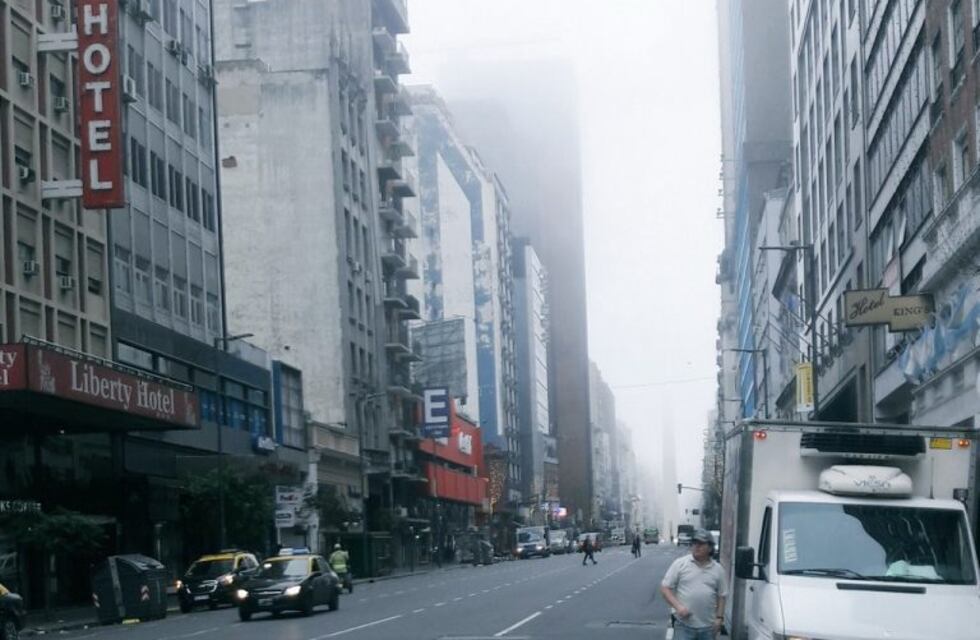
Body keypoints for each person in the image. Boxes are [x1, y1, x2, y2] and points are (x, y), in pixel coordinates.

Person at [660, 528, 727, 640]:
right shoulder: (680, 564)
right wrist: (678, 607)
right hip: (684, 626)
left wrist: (719, 618)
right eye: (694, 543)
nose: (696, 546)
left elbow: (722, 595)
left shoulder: (718, 569)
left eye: (701, 544)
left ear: (710, 547)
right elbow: (665, 588)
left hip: (708, 627)